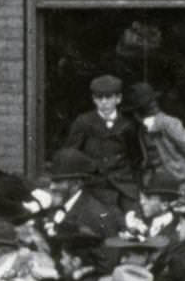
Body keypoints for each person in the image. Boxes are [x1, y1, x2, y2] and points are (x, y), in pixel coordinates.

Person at [57, 74, 137, 206]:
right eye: (99, 98)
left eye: (109, 97)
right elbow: (71, 154)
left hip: (123, 187)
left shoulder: (128, 125)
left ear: (118, 99)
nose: (104, 102)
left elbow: (135, 157)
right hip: (93, 186)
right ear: (94, 99)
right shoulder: (83, 122)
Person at [127, 81, 185, 189]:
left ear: (136, 113)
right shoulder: (165, 124)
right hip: (172, 183)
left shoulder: (156, 126)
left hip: (168, 184)